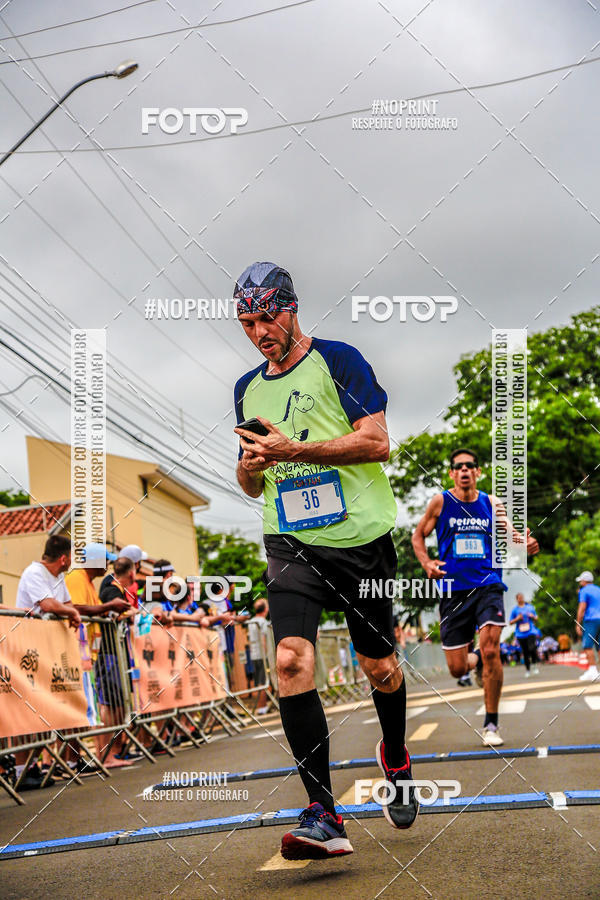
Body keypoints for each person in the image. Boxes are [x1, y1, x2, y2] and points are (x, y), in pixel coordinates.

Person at [233, 261, 416, 860]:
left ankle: (395, 753)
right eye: (246, 321)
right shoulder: (246, 389)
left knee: (380, 668)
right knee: (290, 660)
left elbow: (377, 441)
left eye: (266, 318)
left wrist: (298, 447)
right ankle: (324, 814)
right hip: (291, 543)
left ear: (290, 310)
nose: (258, 331)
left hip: (360, 541)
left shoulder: (340, 360)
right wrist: (253, 467)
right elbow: (249, 484)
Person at [411, 448, 540, 747]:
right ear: (452, 474)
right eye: (459, 467)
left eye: (471, 466)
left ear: (478, 472)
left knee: (493, 648)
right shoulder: (441, 502)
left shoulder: (491, 502)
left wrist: (525, 541)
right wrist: (427, 563)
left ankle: (491, 724)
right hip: (453, 591)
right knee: (457, 668)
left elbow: (509, 532)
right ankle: (478, 658)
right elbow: (418, 536)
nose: (465, 470)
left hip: (488, 585)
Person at [16, 535, 81, 628]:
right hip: (30, 633)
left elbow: (67, 603)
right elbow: (48, 605)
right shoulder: (34, 572)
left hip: (49, 632)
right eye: (72, 556)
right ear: (63, 559)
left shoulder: (60, 575)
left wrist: (68, 611)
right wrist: (72, 612)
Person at [575, 571, 600, 682]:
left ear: (585, 581)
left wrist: (578, 622)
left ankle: (593, 671)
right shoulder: (598, 589)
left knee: (587, 646)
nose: (580, 582)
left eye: (581, 580)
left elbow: (582, 607)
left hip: (591, 620)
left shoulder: (584, 591)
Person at [246, 598, 270, 713]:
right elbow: (263, 639)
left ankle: (261, 706)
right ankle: (263, 706)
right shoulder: (263, 622)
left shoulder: (251, 621)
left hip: (254, 654)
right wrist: (267, 653)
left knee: (258, 681)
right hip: (262, 655)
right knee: (263, 681)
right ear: (265, 609)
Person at [509, 593, 540, 676]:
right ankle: (528, 670)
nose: (521, 599)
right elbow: (510, 622)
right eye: (519, 598)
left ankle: (534, 665)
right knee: (525, 652)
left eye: (522, 597)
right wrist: (517, 619)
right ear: (517, 599)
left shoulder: (530, 607)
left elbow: (536, 618)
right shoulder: (515, 610)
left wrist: (532, 616)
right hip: (520, 634)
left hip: (531, 631)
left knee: (532, 648)